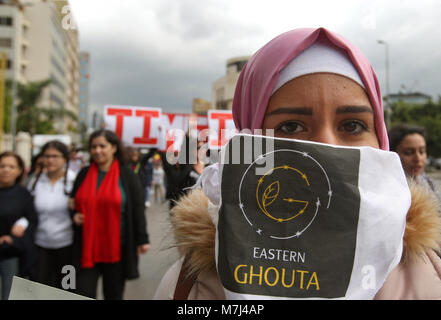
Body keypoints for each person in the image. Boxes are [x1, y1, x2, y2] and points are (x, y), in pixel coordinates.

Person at [154, 27, 441, 300]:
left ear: (381, 139)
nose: (327, 145)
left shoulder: (431, 272)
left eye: (353, 125)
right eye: (291, 127)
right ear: (250, 140)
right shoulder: (191, 286)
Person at [69, 129, 150, 300]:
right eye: (93, 147)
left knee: (113, 294)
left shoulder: (127, 175)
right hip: (86, 246)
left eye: (102, 146)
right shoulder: (83, 174)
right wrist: (74, 215)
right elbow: (73, 203)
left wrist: (142, 239)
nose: (97, 150)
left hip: (116, 247)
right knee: (82, 293)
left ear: (113, 148)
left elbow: (137, 209)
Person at [28, 140, 76, 289]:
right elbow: (27, 210)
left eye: (55, 156)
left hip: (67, 246)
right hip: (40, 245)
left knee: (66, 290)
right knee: (40, 289)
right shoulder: (35, 181)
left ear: (65, 158)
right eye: (47, 156)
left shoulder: (73, 181)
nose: (50, 160)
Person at [0, 152, 37, 300]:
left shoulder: (24, 195)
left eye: (11, 166)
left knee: (9, 294)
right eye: (2, 166)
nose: (6, 170)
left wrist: (12, 239)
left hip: (10, 253)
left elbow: (32, 220)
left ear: (20, 170)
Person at [388, 124, 437, 193]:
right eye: (408, 152)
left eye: (421, 151)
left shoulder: (429, 183)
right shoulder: (388, 189)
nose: (418, 158)